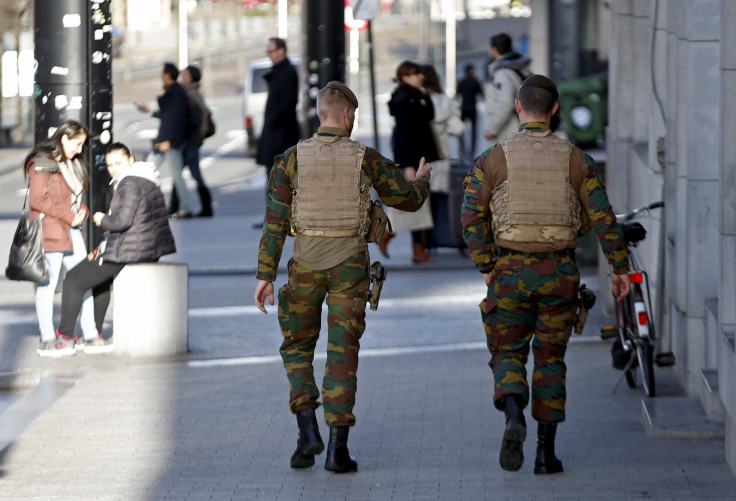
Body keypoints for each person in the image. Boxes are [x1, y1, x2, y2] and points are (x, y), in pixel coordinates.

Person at [254, 81, 431, 473]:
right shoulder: (366, 158)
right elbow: (407, 200)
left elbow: (274, 223)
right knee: (342, 352)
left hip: (304, 266)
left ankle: (306, 429)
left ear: (321, 114)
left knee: (297, 347)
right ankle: (337, 450)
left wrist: (265, 274)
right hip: (350, 264)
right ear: (348, 114)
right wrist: (422, 178)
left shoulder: (290, 159)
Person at [461, 74, 631, 474]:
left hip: (508, 269)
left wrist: (486, 264)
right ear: (555, 110)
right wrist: (619, 267)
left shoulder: (494, 157)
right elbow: (604, 218)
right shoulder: (577, 159)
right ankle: (544, 454)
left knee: (507, 351)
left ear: (519, 107)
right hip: (560, 271)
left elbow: (471, 215)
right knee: (551, 358)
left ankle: (514, 414)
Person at [52, 143, 176, 355]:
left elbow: (121, 221)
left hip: (131, 249)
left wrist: (102, 219)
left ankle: (64, 339)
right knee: (101, 282)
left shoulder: (129, 183)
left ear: (131, 160)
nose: (114, 168)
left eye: (118, 163)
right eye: (110, 165)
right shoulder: (147, 178)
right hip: (145, 247)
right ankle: (95, 337)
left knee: (73, 279)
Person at [25, 120, 98, 357]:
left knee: (83, 280)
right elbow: (37, 200)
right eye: (77, 144)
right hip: (50, 229)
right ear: (64, 138)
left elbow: (74, 197)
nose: (79, 149)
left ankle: (90, 334)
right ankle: (47, 339)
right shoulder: (42, 161)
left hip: (70, 229)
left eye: (82, 145)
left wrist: (82, 211)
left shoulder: (70, 163)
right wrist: (70, 215)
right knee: (47, 285)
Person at [383, 60, 440, 263]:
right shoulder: (403, 99)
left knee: (419, 203)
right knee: (417, 204)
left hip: (420, 157)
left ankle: (397, 237)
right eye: (416, 74)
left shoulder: (417, 95)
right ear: (405, 77)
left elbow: (430, 116)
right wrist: (407, 165)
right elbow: (402, 136)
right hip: (412, 160)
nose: (421, 76)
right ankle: (414, 248)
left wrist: (426, 96)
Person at [136, 62, 200, 219]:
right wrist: (150, 111)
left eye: (162, 73)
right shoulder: (174, 93)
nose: (161, 76)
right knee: (150, 169)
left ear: (167, 75)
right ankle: (144, 204)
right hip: (166, 141)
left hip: (171, 141)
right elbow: (167, 115)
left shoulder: (176, 94)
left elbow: (177, 121)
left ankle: (185, 207)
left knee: (174, 174)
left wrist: (169, 141)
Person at [256, 37, 300, 183]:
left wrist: (272, 121)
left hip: (281, 138)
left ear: (281, 51)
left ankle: (275, 206)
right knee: (274, 178)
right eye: (267, 51)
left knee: (278, 181)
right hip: (276, 136)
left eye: (271, 51)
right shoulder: (278, 72)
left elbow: (288, 104)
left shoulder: (287, 72)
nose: (268, 54)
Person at [483, 33, 531, 149]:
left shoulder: (502, 73)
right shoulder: (518, 69)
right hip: (519, 127)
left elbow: (504, 103)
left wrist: (492, 129)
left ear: (494, 50)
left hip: (507, 132)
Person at [181, 64, 214, 217]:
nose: (183, 77)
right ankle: (206, 207)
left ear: (193, 77)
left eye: (186, 75)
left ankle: (178, 206)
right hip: (194, 139)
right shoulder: (191, 92)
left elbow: (200, 116)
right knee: (194, 172)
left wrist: (196, 133)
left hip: (192, 139)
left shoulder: (191, 93)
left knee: (179, 170)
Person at [456, 63, 484, 160]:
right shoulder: (475, 81)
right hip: (472, 108)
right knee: (474, 132)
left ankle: (462, 151)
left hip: (463, 109)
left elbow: (457, 95)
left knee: (461, 131)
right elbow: (482, 94)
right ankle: (472, 152)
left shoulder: (461, 82)